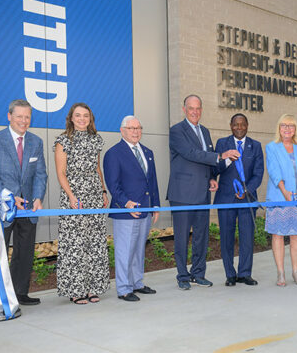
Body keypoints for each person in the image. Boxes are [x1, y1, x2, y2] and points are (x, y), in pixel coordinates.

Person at [0, 99, 47, 306]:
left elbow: (41, 174)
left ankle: (20, 293)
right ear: (9, 116)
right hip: (1, 208)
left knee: (24, 253)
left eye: (27, 117)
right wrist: (8, 196)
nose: (23, 121)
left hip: (27, 209)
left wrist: (37, 198)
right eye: (19, 116)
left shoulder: (36, 142)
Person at [167, 95, 240, 290]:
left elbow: (206, 161)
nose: (195, 111)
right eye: (191, 108)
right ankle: (182, 276)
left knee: (201, 236)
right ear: (184, 109)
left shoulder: (205, 132)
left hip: (202, 193)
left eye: (198, 108)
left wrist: (211, 178)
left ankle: (198, 274)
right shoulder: (176, 131)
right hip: (182, 194)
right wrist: (220, 155)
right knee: (182, 238)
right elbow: (191, 153)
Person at [54, 103, 109, 305]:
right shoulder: (63, 140)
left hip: (94, 193)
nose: (82, 119)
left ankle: (94, 287)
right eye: (78, 115)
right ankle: (76, 290)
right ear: (71, 118)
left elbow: (97, 168)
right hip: (73, 195)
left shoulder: (96, 139)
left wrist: (103, 191)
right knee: (75, 243)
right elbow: (60, 172)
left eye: (86, 115)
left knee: (94, 242)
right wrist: (71, 195)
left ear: (90, 118)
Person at [103, 115, 160, 302]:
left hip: (145, 209)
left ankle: (137, 283)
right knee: (124, 251)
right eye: (131, 128)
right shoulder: (114, 153)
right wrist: (126, 204)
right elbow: (113, 184)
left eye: (138, 128)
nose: (135, 131)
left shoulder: (147, 152)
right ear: (122, 131)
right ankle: (124, 288)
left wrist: (155, 205)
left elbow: (152, 181)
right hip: (126, 211)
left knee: (138, 250)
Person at [214, 113, 263, 287]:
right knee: (226, 237)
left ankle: (244, 273)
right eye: (236, 124)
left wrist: (246, 189)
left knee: (247, 237)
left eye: (242, 124)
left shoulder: (255, 146)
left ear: (247, 125)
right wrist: (226, 159)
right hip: (226, 199)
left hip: (247, 199)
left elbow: (258, 174)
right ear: (230, 125)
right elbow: (215, 169)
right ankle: (230, 274)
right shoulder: (222, 144)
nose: (239, 128)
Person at [265, 114, 297, 287]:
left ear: (295, 129)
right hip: (279, 196)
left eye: (291, 126)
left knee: (296, 235)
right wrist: (284, 191)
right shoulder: (272, 147)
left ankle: (296, 272)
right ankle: (281, 273)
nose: (287, 129)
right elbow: (273, 170)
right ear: (279, 128)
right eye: (284, 125)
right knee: (277, 235)